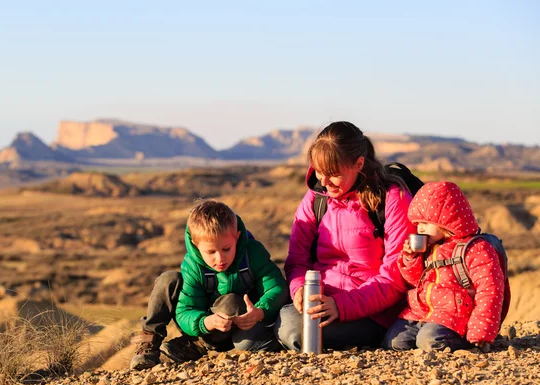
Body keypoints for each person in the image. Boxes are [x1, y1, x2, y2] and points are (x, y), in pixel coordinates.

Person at [274, 121, 416, 351]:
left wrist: (341, 306)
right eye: (319, 172)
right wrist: (299, 289)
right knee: (276, 323)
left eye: (333, 174)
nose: (324, 182)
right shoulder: (316, 199)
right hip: (320, 302)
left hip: (373, 312)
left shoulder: (391, 198)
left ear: (359, 164)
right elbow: (297, 261)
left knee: (293, 330)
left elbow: (396, 277)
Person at [130, 199, 288, 370]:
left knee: (230, 303)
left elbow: (277, 287)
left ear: (237, 237)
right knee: (167, 280)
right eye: (211, 252)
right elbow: (185, 310)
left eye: (226, 249)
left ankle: (201, 346)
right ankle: (150, 346)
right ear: (196, 246)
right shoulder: (192, 265)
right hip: (207, 323)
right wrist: (206, 322)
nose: (220, 258)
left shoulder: (253, 253)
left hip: (246, 324)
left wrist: (261, 310)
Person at [382, 181, 505, 351]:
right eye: (418, 224)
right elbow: (415, 281)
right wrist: (411, 258)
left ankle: (465, 340)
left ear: (446, 219)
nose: (420, 229)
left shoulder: (475, 249)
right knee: (395, 342)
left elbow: (490, 290)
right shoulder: (429, 246)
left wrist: (480, 331)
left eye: (425, 223)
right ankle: (426, 333)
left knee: (429, 341)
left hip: (456, 317)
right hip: (422, 312)